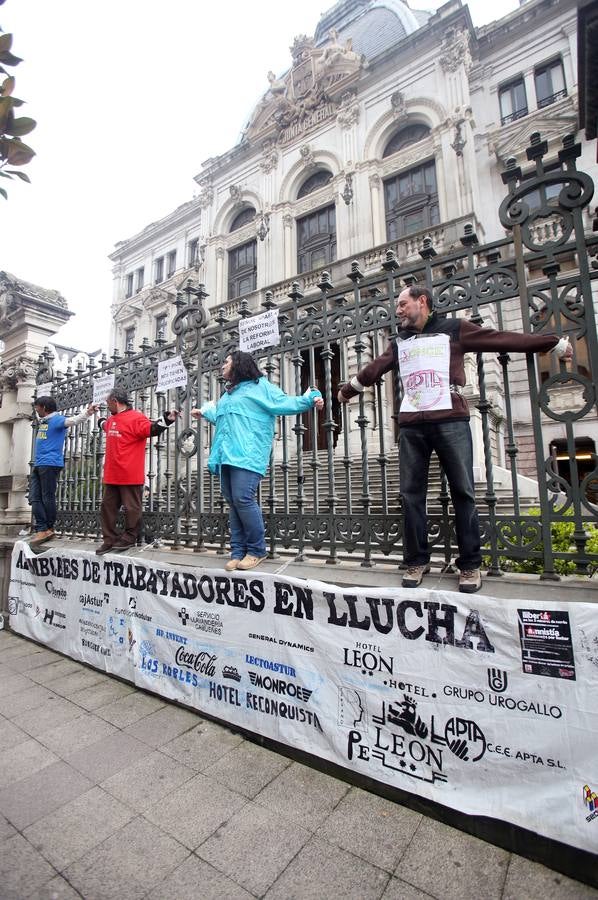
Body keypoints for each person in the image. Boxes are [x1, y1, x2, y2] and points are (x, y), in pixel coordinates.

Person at [338, 284, 573, 593]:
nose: (397, 310)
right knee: (410, 496)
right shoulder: (400, 341)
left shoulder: (454, 329)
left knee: (463, 491)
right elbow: (375, 368)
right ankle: (416, 561)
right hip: (411, 425)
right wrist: (348, 390)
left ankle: (470, 565)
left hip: (450, 420)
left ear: (422, 302)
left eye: (402, 304)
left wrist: (552, 343)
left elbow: (500, 338)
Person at [191, 350, 324, 571]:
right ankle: (237, 551)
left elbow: (284, 403)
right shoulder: (227, 395)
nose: (222, 366)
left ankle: (256, 550)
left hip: (248, 455)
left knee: (243, 498)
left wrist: (310, 398)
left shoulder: (260, 386)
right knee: (233, 502)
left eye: (226, 362)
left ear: (239, 365)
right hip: (226, 455)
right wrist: (205, 413)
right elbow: (224, 419)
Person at [96, 388, 179, 555]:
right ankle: (110, 539)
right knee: (107, 507)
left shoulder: (136, 417)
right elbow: (104, 425)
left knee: (132, 508)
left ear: (115, 401)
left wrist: (167, 420)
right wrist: (99, 419)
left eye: (108, 402)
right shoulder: (112, 420)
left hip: (129, 473)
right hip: (112, 474)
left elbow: (152, 429)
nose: (107, 405)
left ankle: (129, 537)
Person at [28, 396, 96, 545]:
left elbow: (73, 420)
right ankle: (42, 528)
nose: (36, 410)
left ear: (44, 408)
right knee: (34, 497)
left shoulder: (57, 420)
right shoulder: (44, 421)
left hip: (50, 463)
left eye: (38, 407)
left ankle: (47, 528)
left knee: (47, 496)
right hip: (39, 464)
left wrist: (88, 412)